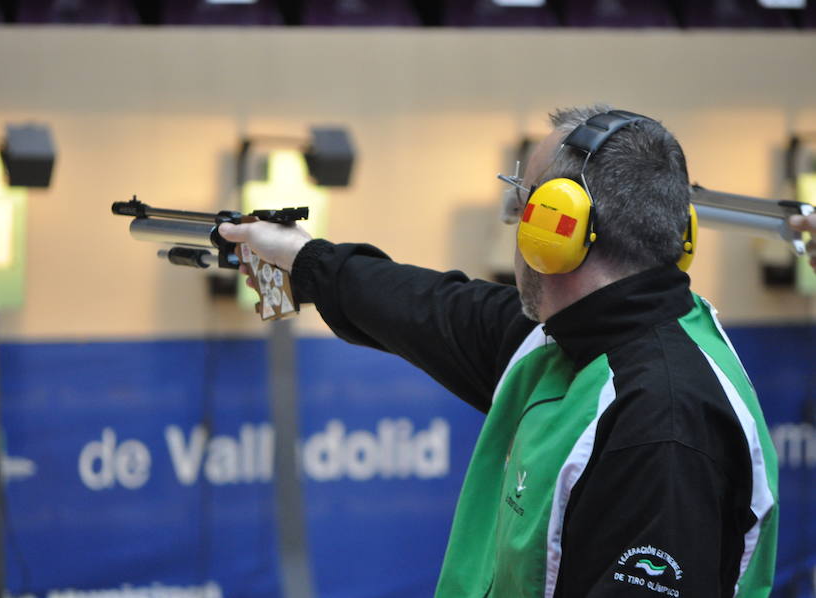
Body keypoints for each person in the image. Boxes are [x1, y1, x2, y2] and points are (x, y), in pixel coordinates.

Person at [219, 106, 778, 597]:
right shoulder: (570, 341)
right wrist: (303, 260)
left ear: (558, 226)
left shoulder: (659, 420)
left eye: (523, 206)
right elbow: (429, 308)